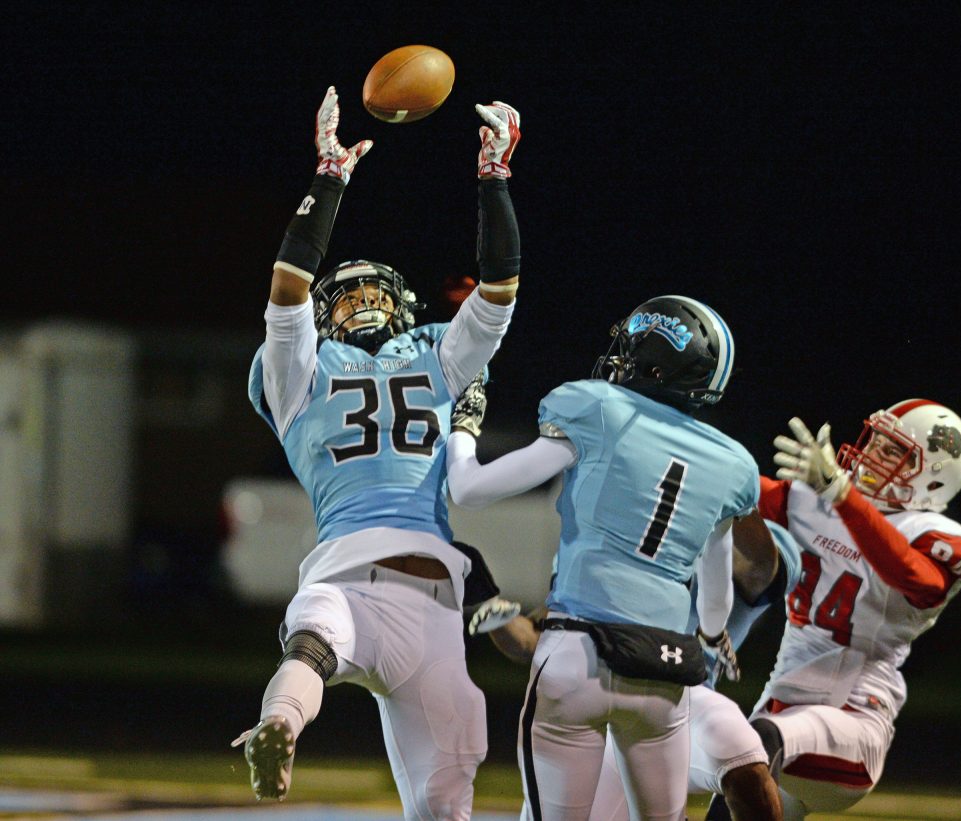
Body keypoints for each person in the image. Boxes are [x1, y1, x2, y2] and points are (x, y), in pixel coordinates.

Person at [230, 85, 523, 821]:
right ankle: (279, 726)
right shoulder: (318, 367)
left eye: (375, 293)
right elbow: (291, 288)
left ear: (403, 307)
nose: (363, 301)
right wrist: (493, 178)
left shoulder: (410, 357)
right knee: (315, 637)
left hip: (383, 586)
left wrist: (331, 179)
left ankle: (280, 721)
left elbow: (496, 292)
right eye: (348, 295)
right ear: (327, 318)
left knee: (436, 796)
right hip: (408, 581)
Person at [445, 295, 756, 820]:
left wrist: (463, 428)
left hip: (577, 656)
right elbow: (716, 593)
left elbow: (469, 490)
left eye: (632, 352)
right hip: (664, 669)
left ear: (656, 366)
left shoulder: (597, 410)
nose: (619, 360)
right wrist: (711, 635)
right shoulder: (733, 464)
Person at [478, 509, 798, 821]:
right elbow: (539, 639)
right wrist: (496, 614)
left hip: (683, 698)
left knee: (744, 760)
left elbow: (759, 567)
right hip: (597, 697)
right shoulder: (615, 537)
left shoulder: (748, 537)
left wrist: (727, 499)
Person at [754, 400, 961, 818]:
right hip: (778, 703)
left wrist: (842, 496)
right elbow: (731, 490)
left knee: (748, 749)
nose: (872, 453)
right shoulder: (812, 501)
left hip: (852, 723)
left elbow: (915, 576)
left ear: (933, 480)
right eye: (876, 440)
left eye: (892, 451)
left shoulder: (929, 532)